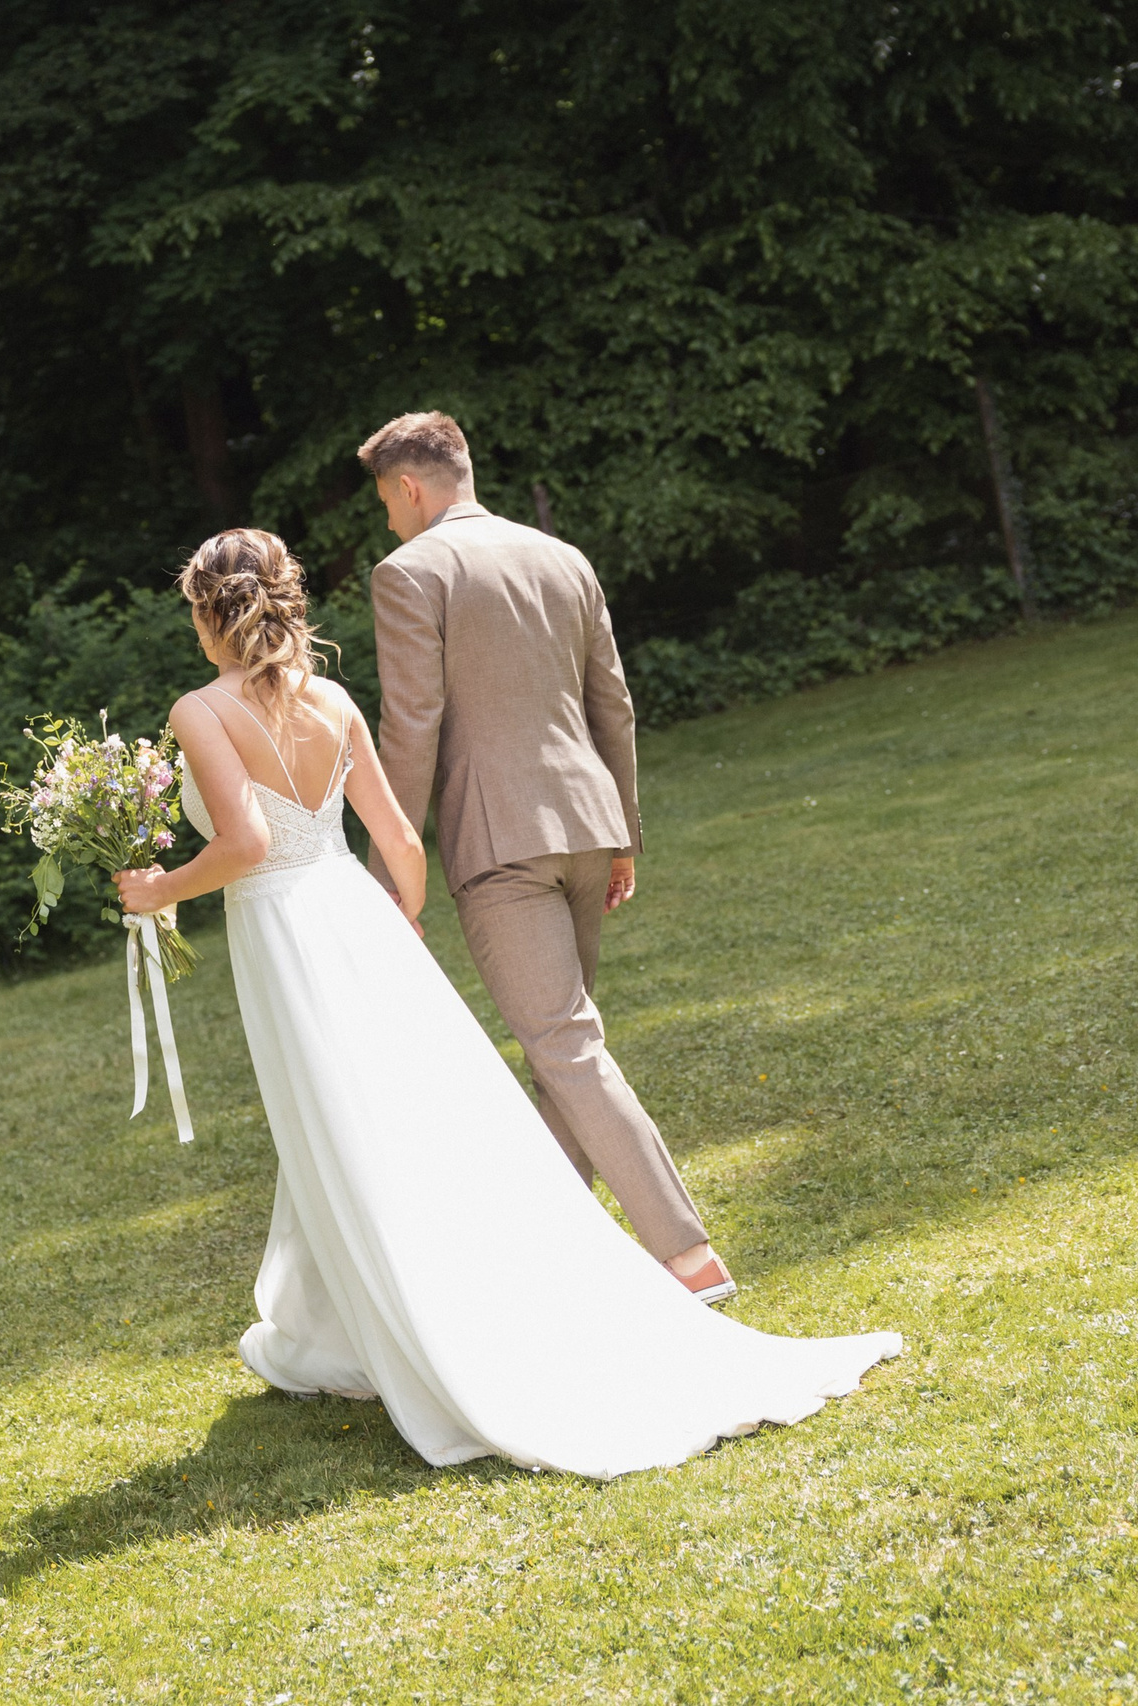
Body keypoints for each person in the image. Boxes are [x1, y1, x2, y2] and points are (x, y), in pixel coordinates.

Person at [114, 528, 897, 1479]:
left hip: (284, 930)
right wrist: (386, 936)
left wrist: (161, 890)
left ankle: (415, 1328)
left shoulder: (199, 709)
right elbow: (401, 842)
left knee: (339, 1118)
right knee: (379, 1121)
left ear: (207, 612)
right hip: (358, 919)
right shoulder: (332, 699)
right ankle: (335, 1329)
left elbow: (240, 842)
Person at [357, 411, 735, 1300]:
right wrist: (624, 835)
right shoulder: (562, 558)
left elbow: (410, 729)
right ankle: (564, 1259)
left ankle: (688, 1256)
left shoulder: (408, 573)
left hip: (502, 845)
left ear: (409, 488)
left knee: (564, 1046)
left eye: (384, 501)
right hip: (588, 826)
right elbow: (617, 707)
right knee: (558, 1047)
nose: (385, 522)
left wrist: (391, 878)